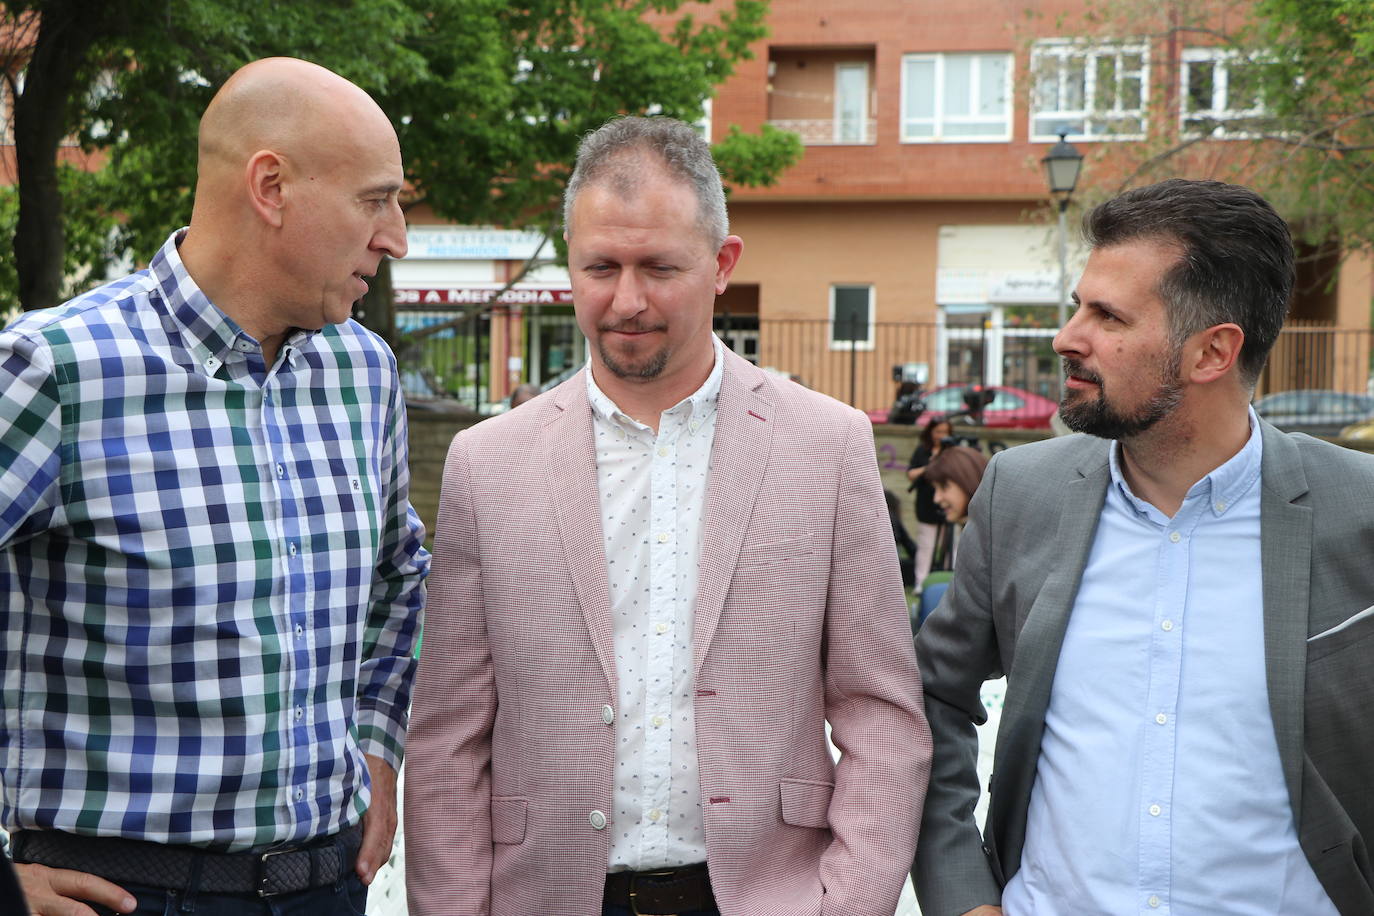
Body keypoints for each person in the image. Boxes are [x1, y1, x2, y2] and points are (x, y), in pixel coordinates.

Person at [404, 116, 932, 916]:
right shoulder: (487, 462)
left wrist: (848, 904)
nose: (628, 299)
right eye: (600, 267)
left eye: (659, 267)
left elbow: (883, 714)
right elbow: (447, 738)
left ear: (722, 264)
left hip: (767, 899)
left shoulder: (829, 445)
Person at [0, 58, 429, 916]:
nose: (396, 240)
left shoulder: (363, 371)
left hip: (326, 889)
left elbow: (399, 576)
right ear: (270, 185)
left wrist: (377, 751)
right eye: (375, 201)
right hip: (118, 893)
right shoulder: (57, 369)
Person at [911, 178, 1374, 916]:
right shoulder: (1019, 494)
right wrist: (964, 897)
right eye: (1077, 307)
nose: (1068, 337)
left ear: (1212, 352)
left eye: (1108, 316)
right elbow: (929, 698)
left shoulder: (1361, 511)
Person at [906, 415, 953, 585]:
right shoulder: (922, 450)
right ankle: (921, 583)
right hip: (926, 505)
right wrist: (930, 465)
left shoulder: (952, 451)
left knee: (951, 547)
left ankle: (949, 582)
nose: (941, 435)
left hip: (949, 506)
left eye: (945, 432)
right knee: (926, 546)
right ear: (930, 432)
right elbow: (911, 475)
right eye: (938, 431)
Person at [923, 445, 989, 527]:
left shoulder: (995, 536)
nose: (936, 499)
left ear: (969, 482)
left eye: (944, 487)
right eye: (935, 489)